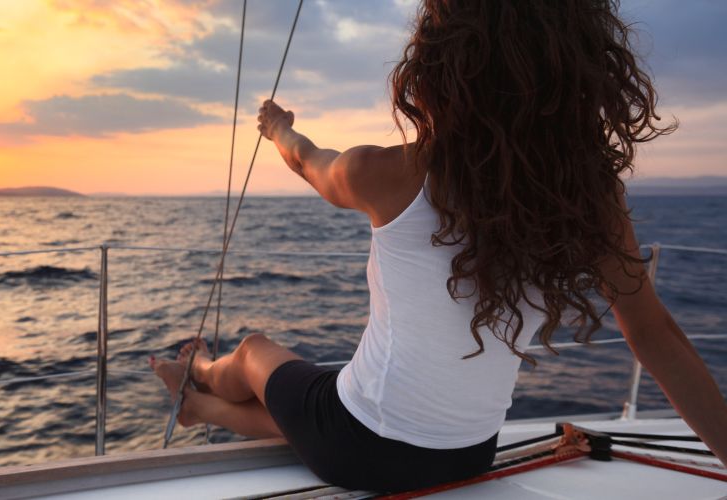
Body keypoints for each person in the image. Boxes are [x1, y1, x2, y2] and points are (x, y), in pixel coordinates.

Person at [150, 0, 727, 492]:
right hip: (466, 455)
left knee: (254, 351)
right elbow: (656, 335)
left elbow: (306, 160)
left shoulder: (388, 173)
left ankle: (197, 367)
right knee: (323, 402)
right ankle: (203, 407)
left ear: (440, 67)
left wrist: (278, 126)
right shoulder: (589, 199)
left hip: (357, 446)